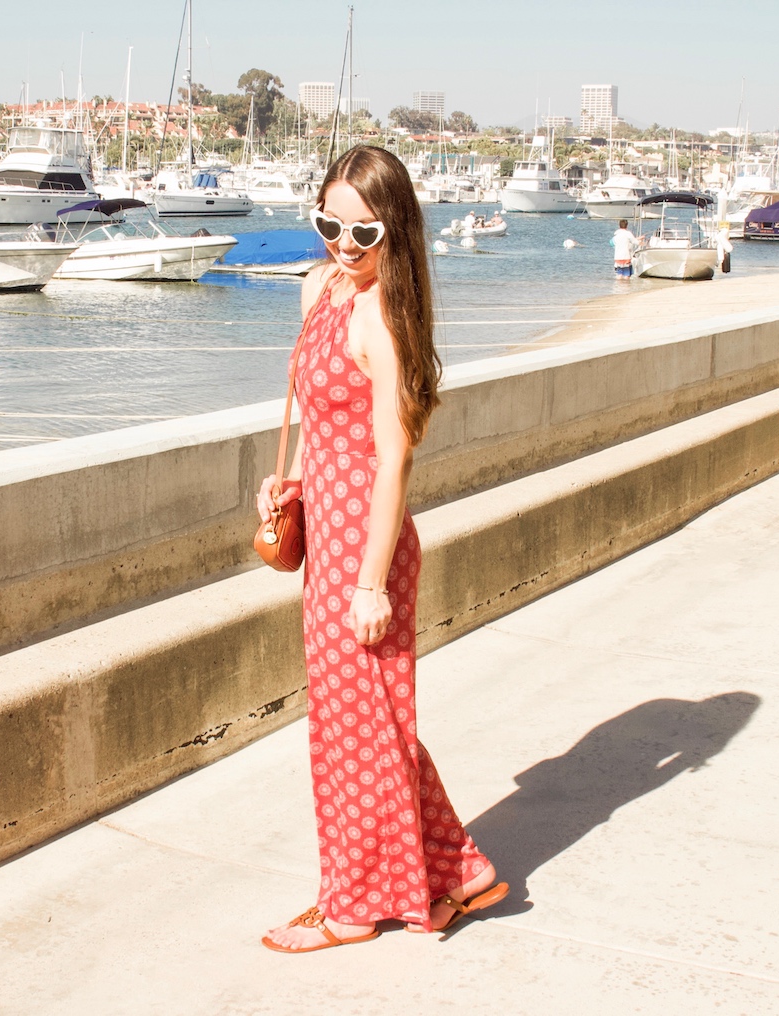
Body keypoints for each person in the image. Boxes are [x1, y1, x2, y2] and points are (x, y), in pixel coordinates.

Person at [258, 145, 507, 952]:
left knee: (355, 724)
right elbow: (310, 412)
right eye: (331, 225)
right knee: (362, 720)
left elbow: (395, 457)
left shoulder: (382, 316)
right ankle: (455, 871)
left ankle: (355, 906)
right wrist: (286, 484)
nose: (344, 246)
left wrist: (369, 583)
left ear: (395, 230)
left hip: (368, 537)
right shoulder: (319, 289)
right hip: (325, 523)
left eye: (365, 234)